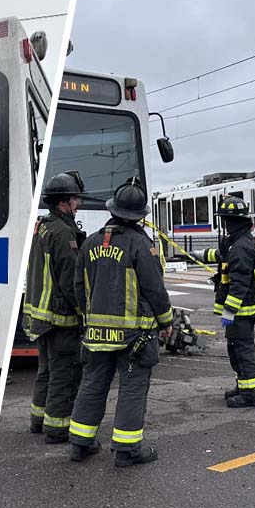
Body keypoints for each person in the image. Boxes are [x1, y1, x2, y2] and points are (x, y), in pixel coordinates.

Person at [68, 179, 173, 467]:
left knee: (92, 384)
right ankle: (127, 451)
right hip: (134, 336)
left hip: (95, 333)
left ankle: (80, 444)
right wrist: (166, 321)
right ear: (139, 215)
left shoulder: (90, 242)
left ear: (113, 210)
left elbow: (78, 287)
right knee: (133, 388)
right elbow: (155, 289)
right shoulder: (141, 244)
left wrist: (88, 318)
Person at [22, 172, 86, 443]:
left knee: (45, 372)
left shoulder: (42, 227)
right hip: (60, 319)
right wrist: (85, 312)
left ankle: (38, 421)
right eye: (75, 199)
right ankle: (57, 429)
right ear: (63, 203)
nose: (78, 204)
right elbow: (71, 281)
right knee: (64, 374)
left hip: (41, 318)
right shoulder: (62, 233)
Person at [202, 196, 255, 408]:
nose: (224, 224)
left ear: (231, 221)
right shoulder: (242, 240)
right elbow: (225, 255)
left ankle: (251, 394)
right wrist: (201, 254)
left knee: (242, 350)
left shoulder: (241, 246)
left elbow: (240, 283)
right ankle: (244, 386)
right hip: (245, 308)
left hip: (243, 310)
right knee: (238, 349)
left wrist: (229, 311)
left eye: (225, 220)